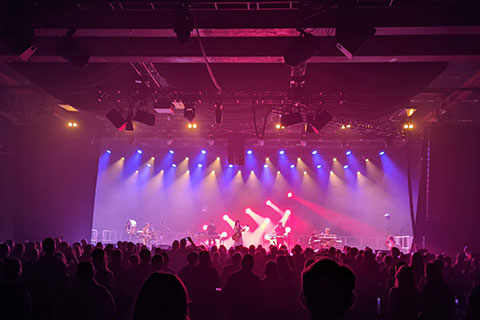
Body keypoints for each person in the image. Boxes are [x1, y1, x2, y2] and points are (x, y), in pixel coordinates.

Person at [224, 254, 263, 320]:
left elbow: (225, 291)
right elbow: (259, 296)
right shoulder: (255, 279)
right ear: (252, 265)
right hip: (250, 311)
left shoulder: (233, 276)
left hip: (235, 310)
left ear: (242, 263)